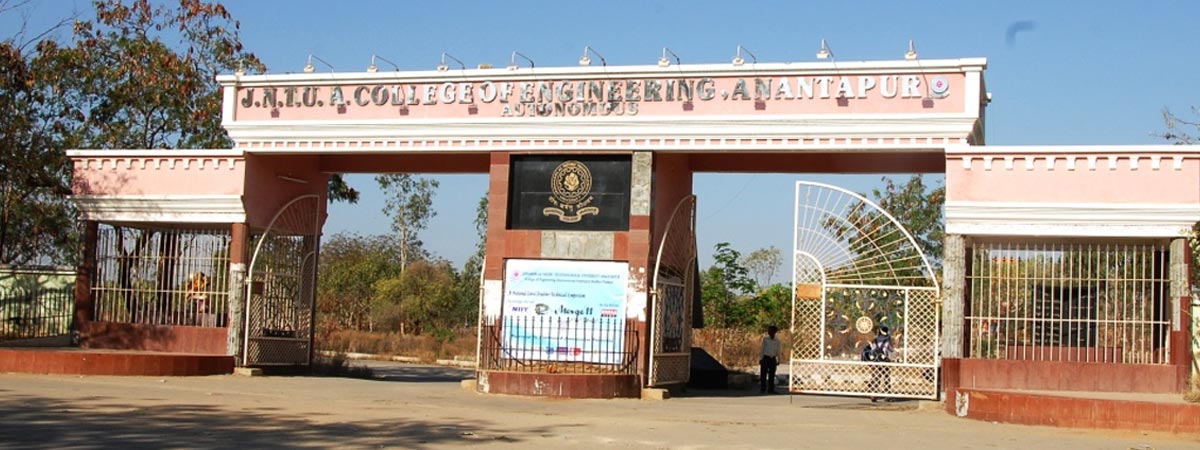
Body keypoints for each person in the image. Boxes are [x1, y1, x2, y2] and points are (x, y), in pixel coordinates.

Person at [867, 325, 893, 402]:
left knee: (875, 377)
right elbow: (890, 350)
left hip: (876, 361)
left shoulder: (874, 340)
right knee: (886, 377)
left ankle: (873, 394)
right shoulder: (888, 340)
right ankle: (887, 394)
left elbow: (872, 350)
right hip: (884, 361)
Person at [759, 325, 782, 394]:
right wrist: (761, 358)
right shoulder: (765, 339)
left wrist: (779, 359)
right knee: (763, 374)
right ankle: (763, 388)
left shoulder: (777, 341)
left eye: (771, 331)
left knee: (771, 375)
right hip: (766, 357)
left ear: (774, 332)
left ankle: (771, 389)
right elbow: (762, 349)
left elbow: (778, 351)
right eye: (769, 331)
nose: (769, 332)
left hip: (772, 358)